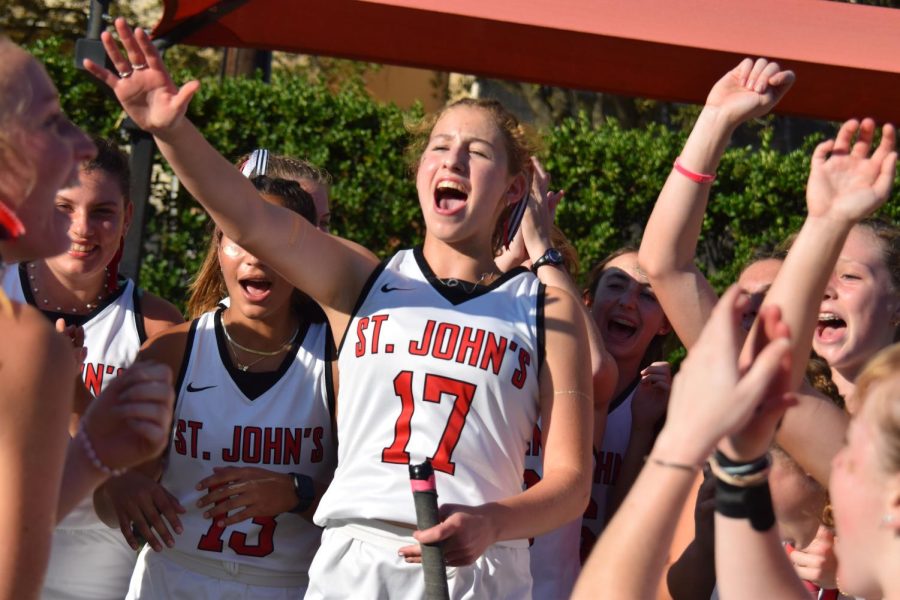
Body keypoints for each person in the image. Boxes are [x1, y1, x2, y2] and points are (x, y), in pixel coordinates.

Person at [87, 19, 592, 598]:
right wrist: (172, 131)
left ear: (511, 187)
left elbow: (573, 482)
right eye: (439, 147)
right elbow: (250, 218)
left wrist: (495, 521)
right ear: (420, 171)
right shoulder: (363, 277)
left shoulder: (545, 302)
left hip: (481, 567)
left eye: (477, 153)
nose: (453, 161)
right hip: (358, 560)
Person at [96, 175, 336, 598]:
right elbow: (105, 503)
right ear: (218, 247)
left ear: (303, 249)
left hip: (290, 585)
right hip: (173, 581)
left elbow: (371, 506)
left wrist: (298, 493)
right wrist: (118, 484)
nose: (255, 258)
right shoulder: (171, 351)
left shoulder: (339, 360)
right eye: (238, 238)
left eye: (273, 239)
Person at [0, 36, 174, 599]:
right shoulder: (20, 332)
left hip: (98, 566)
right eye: (54, 123)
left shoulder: (160, 325)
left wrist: (98, 455)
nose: (78, 143)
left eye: (103, 213)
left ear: (126, 221)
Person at [714, 341, 900, 600]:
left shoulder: (861, 570)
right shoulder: (749, 549)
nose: (834, 461)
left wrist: (842, 582)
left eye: (852, 459)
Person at [580, 247, 672, 556]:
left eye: (648, 295)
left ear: (665, 323)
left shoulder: (667, 412)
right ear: (586, 300)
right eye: (616, 285)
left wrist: (645, 428)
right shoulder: (533, 381)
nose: (628, 301)